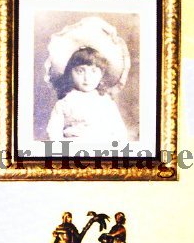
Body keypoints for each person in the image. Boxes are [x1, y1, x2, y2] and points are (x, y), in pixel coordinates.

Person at [43, 15, 131, 146]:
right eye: (80, 71)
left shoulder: (106, 102)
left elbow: (119, 131)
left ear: (102, 74)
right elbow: (54, 131)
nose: (87, 78)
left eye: (93, 71)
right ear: (70, 73)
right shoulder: (65, 103)